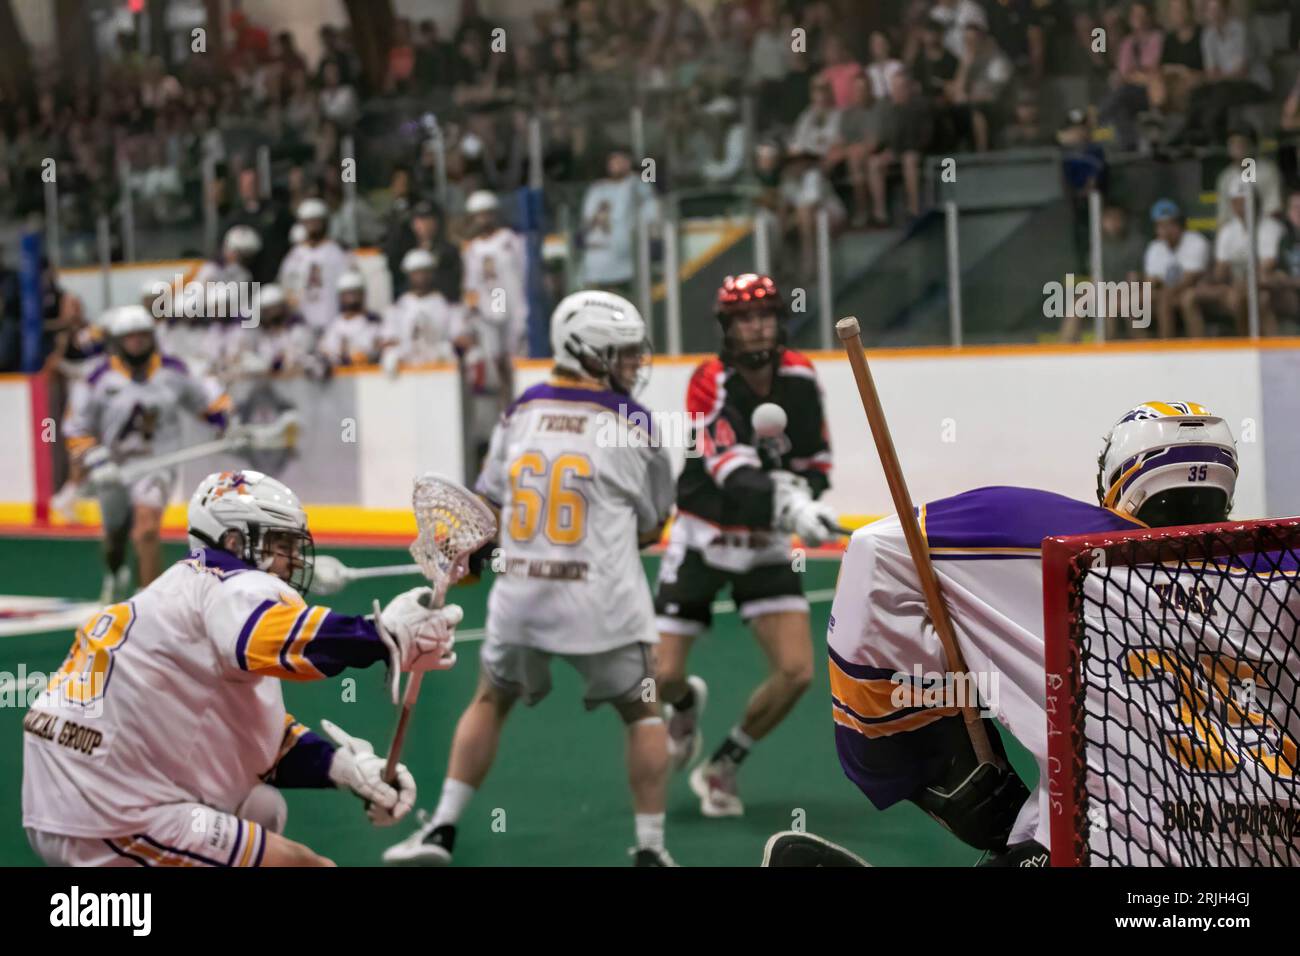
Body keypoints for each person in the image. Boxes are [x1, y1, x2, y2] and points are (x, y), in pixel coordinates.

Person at [825, 402, 1243, 866]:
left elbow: (874, 551)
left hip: (1106, 848)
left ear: (1121, 482)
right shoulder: (1279, 572)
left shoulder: (1048, 538)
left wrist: (914, 751)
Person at [22, 469, 463, 867]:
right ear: (234, 543)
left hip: (71, 795)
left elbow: (247, 738)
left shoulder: (178, 593)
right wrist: (379, 634)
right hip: (109, 815)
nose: (292, 560)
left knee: (262, 809)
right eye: (281, 544)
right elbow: (270, 638)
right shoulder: (234, 588)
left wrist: (344, 769)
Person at [383, 291, 677, 866]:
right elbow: (651, 525)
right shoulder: (633, 423)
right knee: (644, 712)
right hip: (605, 606)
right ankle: (650, 850)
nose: (633, 365)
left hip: (521, 599)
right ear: (587, 352)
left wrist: (465, 553)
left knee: (489, 701)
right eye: (621, 353)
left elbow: (485, 508)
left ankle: (440, 828)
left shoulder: (520, 412)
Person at [654, 274, 837, 818]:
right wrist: (786, 500)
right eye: (743, 317)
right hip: (702, 536)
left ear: (779, 321)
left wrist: (808, 500)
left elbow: (815, 459)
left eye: (764, 315)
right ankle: (685, 705)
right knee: (660, 677)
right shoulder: (708, 381)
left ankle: (724, 764)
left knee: (798, 671)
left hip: (765, 545)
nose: (756, 325)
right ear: (727, 327)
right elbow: (726, 463)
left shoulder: (801, 377)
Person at [64, 306, 234, 602]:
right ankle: (115, 571)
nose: (137, 344)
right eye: (130, 338)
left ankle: (148, 605)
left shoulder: (174, 370)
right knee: (114, 537)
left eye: (142, 336)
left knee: (146, 529)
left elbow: (207, 402)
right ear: (117, 341)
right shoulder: (96, 378)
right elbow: (74, 427)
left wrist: (226, 421)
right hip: (113, 466)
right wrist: (95, 457)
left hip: (157, 463)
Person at [1184, 180, 1284, 337]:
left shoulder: (1270, 227)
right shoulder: (1228, 231)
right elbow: (1220, 272)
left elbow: (1267, 267)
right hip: (1231, 286)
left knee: (1251, 297)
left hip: (1264, 287)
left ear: (1255, 201)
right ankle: (1197, 350)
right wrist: (1215, 280)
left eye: (1244, 201)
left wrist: (1239, 286)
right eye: (1236, 202)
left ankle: (1248, 346)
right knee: (1189, 297)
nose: (1240, 206)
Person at [278, 199, 356, 334]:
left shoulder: (337, 253)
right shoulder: (294, 256)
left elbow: (348, 288)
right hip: (302, 323)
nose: (313, 226)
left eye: (316, 221)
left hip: (332, 320)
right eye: (309, 221)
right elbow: (287, 288)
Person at [1144, 198, 1212, 338]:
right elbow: (1149, 282)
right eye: (1161, 226)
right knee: (1132, 303)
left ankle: (1195, 348)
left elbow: (1190, 278)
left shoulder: (1196, 241)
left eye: (1170, 224)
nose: (1166, 230)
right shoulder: (1155, 247)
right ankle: (1144, 352)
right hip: (1168, 291)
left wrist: (1164, 290)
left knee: (1185, 299)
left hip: (1197, 289)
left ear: (1180, 224)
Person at [317, 271, 384, 367]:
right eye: (347, 294)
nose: (351, 298)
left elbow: (378, 349)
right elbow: (325, 351)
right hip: (340, 378)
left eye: (354, 293)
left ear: (362, 294)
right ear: (340, 296)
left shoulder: (373, 322)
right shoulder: (334, 324)